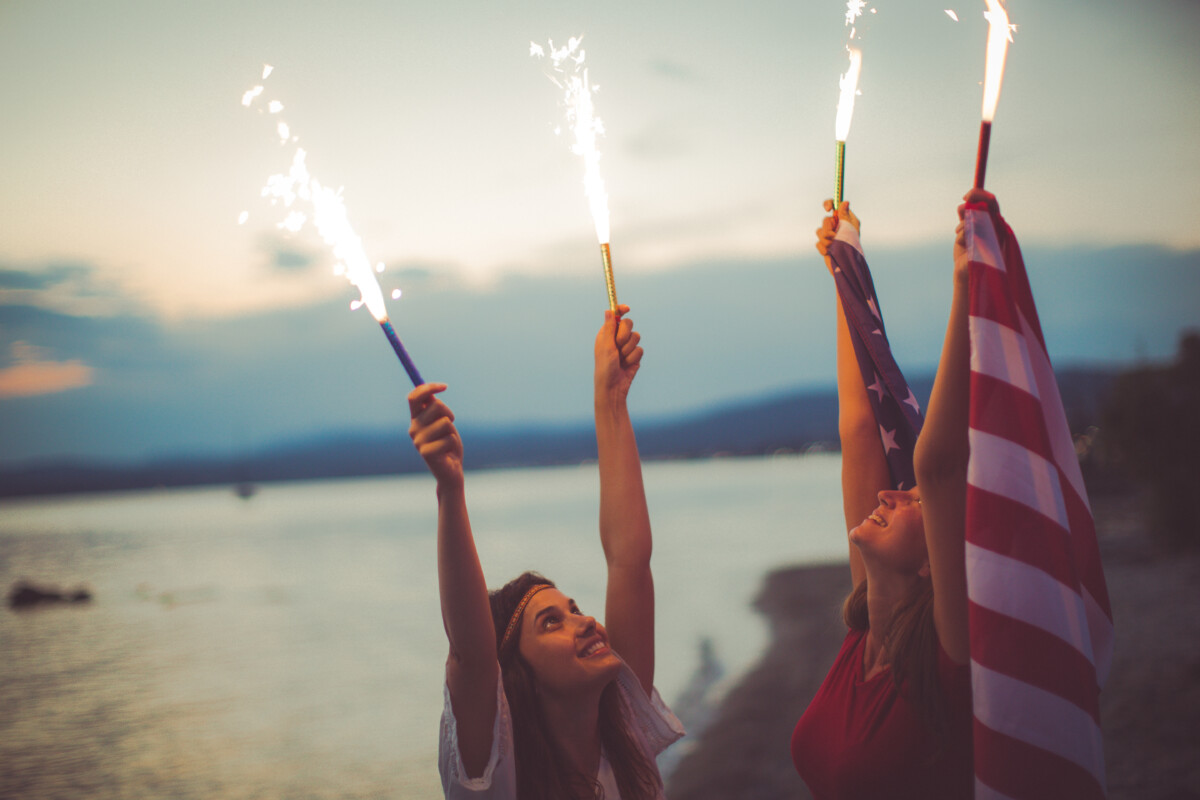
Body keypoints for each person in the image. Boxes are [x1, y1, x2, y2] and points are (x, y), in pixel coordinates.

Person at [408, 305, 684, 800]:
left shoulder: (622, 737)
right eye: (551, 623)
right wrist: (450, 489)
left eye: (572, 609)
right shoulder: (495, 781)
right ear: (515, 676)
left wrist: (612, 399)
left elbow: (629, 560)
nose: (585, 621)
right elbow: (472, 656)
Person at [789, 191, 996, 799]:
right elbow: (859, 429)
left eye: (914, 502)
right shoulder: (862, 636)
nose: (891, 493)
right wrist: (842, 273)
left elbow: (936, 465)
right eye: (905, 497)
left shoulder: (948, 656)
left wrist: (965, 292)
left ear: (939, 560)